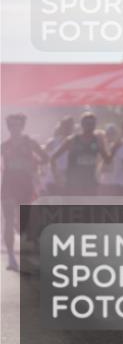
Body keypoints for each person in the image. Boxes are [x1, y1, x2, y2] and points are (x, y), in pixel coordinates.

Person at [1, 114, 47, 271]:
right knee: (8, 220)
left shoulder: (30, 143)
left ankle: (28, 252)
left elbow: (46, 158)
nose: (15, 128)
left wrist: (34, 164)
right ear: (8, 127)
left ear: (22, 126)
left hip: (25, 186)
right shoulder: (4, 146)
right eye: (12, 125)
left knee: (23, 222)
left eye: (18, 125)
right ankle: (11, 258)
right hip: (8, 185)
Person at [50, 112, 108, 197]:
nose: (91, 126)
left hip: (90, 184)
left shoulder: (97, 141)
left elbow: (107, 160)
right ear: (82, 125)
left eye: (93, 124)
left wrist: (109, 146)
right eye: (88, 124)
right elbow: (53, 158)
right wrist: (57, 177)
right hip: (73, 185)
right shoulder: (72, 140)